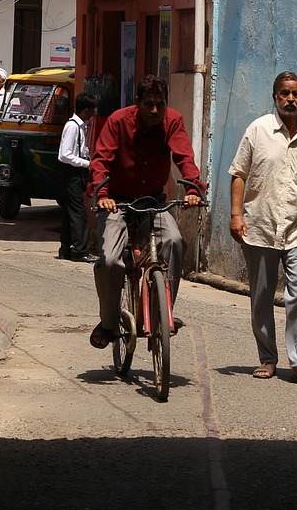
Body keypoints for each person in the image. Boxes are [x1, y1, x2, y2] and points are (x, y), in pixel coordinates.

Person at [229, 70, 297, 383]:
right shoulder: (258, 130)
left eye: (296, 94)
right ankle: (267, 358)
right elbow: (239, 174)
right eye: (284, 94)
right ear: (275, 96)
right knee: (261, 296)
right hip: (260, 225)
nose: (291, 99)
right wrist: (237, 215)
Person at [87, 75, 205, 350]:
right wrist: (102, 195)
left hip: (153, 200)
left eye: (160, 104)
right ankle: (107, 322)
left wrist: (192, 189)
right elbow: (101, 160)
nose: (155, 110)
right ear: (137, 102)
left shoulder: (173, 121)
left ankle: (164, 313)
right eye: (149, 104)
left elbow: (184, 158)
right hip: (117, 200)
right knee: (111, 261)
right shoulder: (118, 121)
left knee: (174, 242)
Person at [57, 91, 100, 263]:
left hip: (76, 174)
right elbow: (65, 154)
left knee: (69, 213)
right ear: (86, 109)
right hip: (70, 173)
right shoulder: (72, 126)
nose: (93, 114)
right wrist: (87, 164)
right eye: (92, 110)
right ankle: (80, 250)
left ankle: (66, 249)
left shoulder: (81, 126)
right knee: (79, 213)